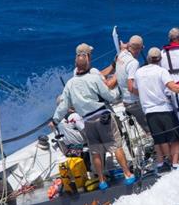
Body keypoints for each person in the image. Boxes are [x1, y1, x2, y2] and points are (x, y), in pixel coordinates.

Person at [53, 47, 135, 190]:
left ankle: (102, 181)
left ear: (76, 65)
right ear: (89, 63)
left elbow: (63, 106)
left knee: (96, 151)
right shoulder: (94, 78)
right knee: (115, 146)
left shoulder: (70, 84)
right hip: (102, 117)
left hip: (88, 121)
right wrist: (118, 91)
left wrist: (54, 120)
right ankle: (128, 174)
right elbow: (109, 96)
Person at [134, 47, 179, 170]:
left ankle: (161, 163)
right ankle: (175, 163)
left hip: (149, 112)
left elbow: (133, 89)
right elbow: (173, 88)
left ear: (149, 59)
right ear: (160, 59)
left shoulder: (138, 72)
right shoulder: (161, 71)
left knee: (159, 139)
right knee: (174, 138)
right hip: (164, 109)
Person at [115, 35, 149, 135]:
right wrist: (145, 94)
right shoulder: (133, 63)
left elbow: (123, 48)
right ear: (139, 49)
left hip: (125, 100)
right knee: (151, 128)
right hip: (134, 102)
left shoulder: (121, 55)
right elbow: (131, 87)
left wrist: (124, 46)